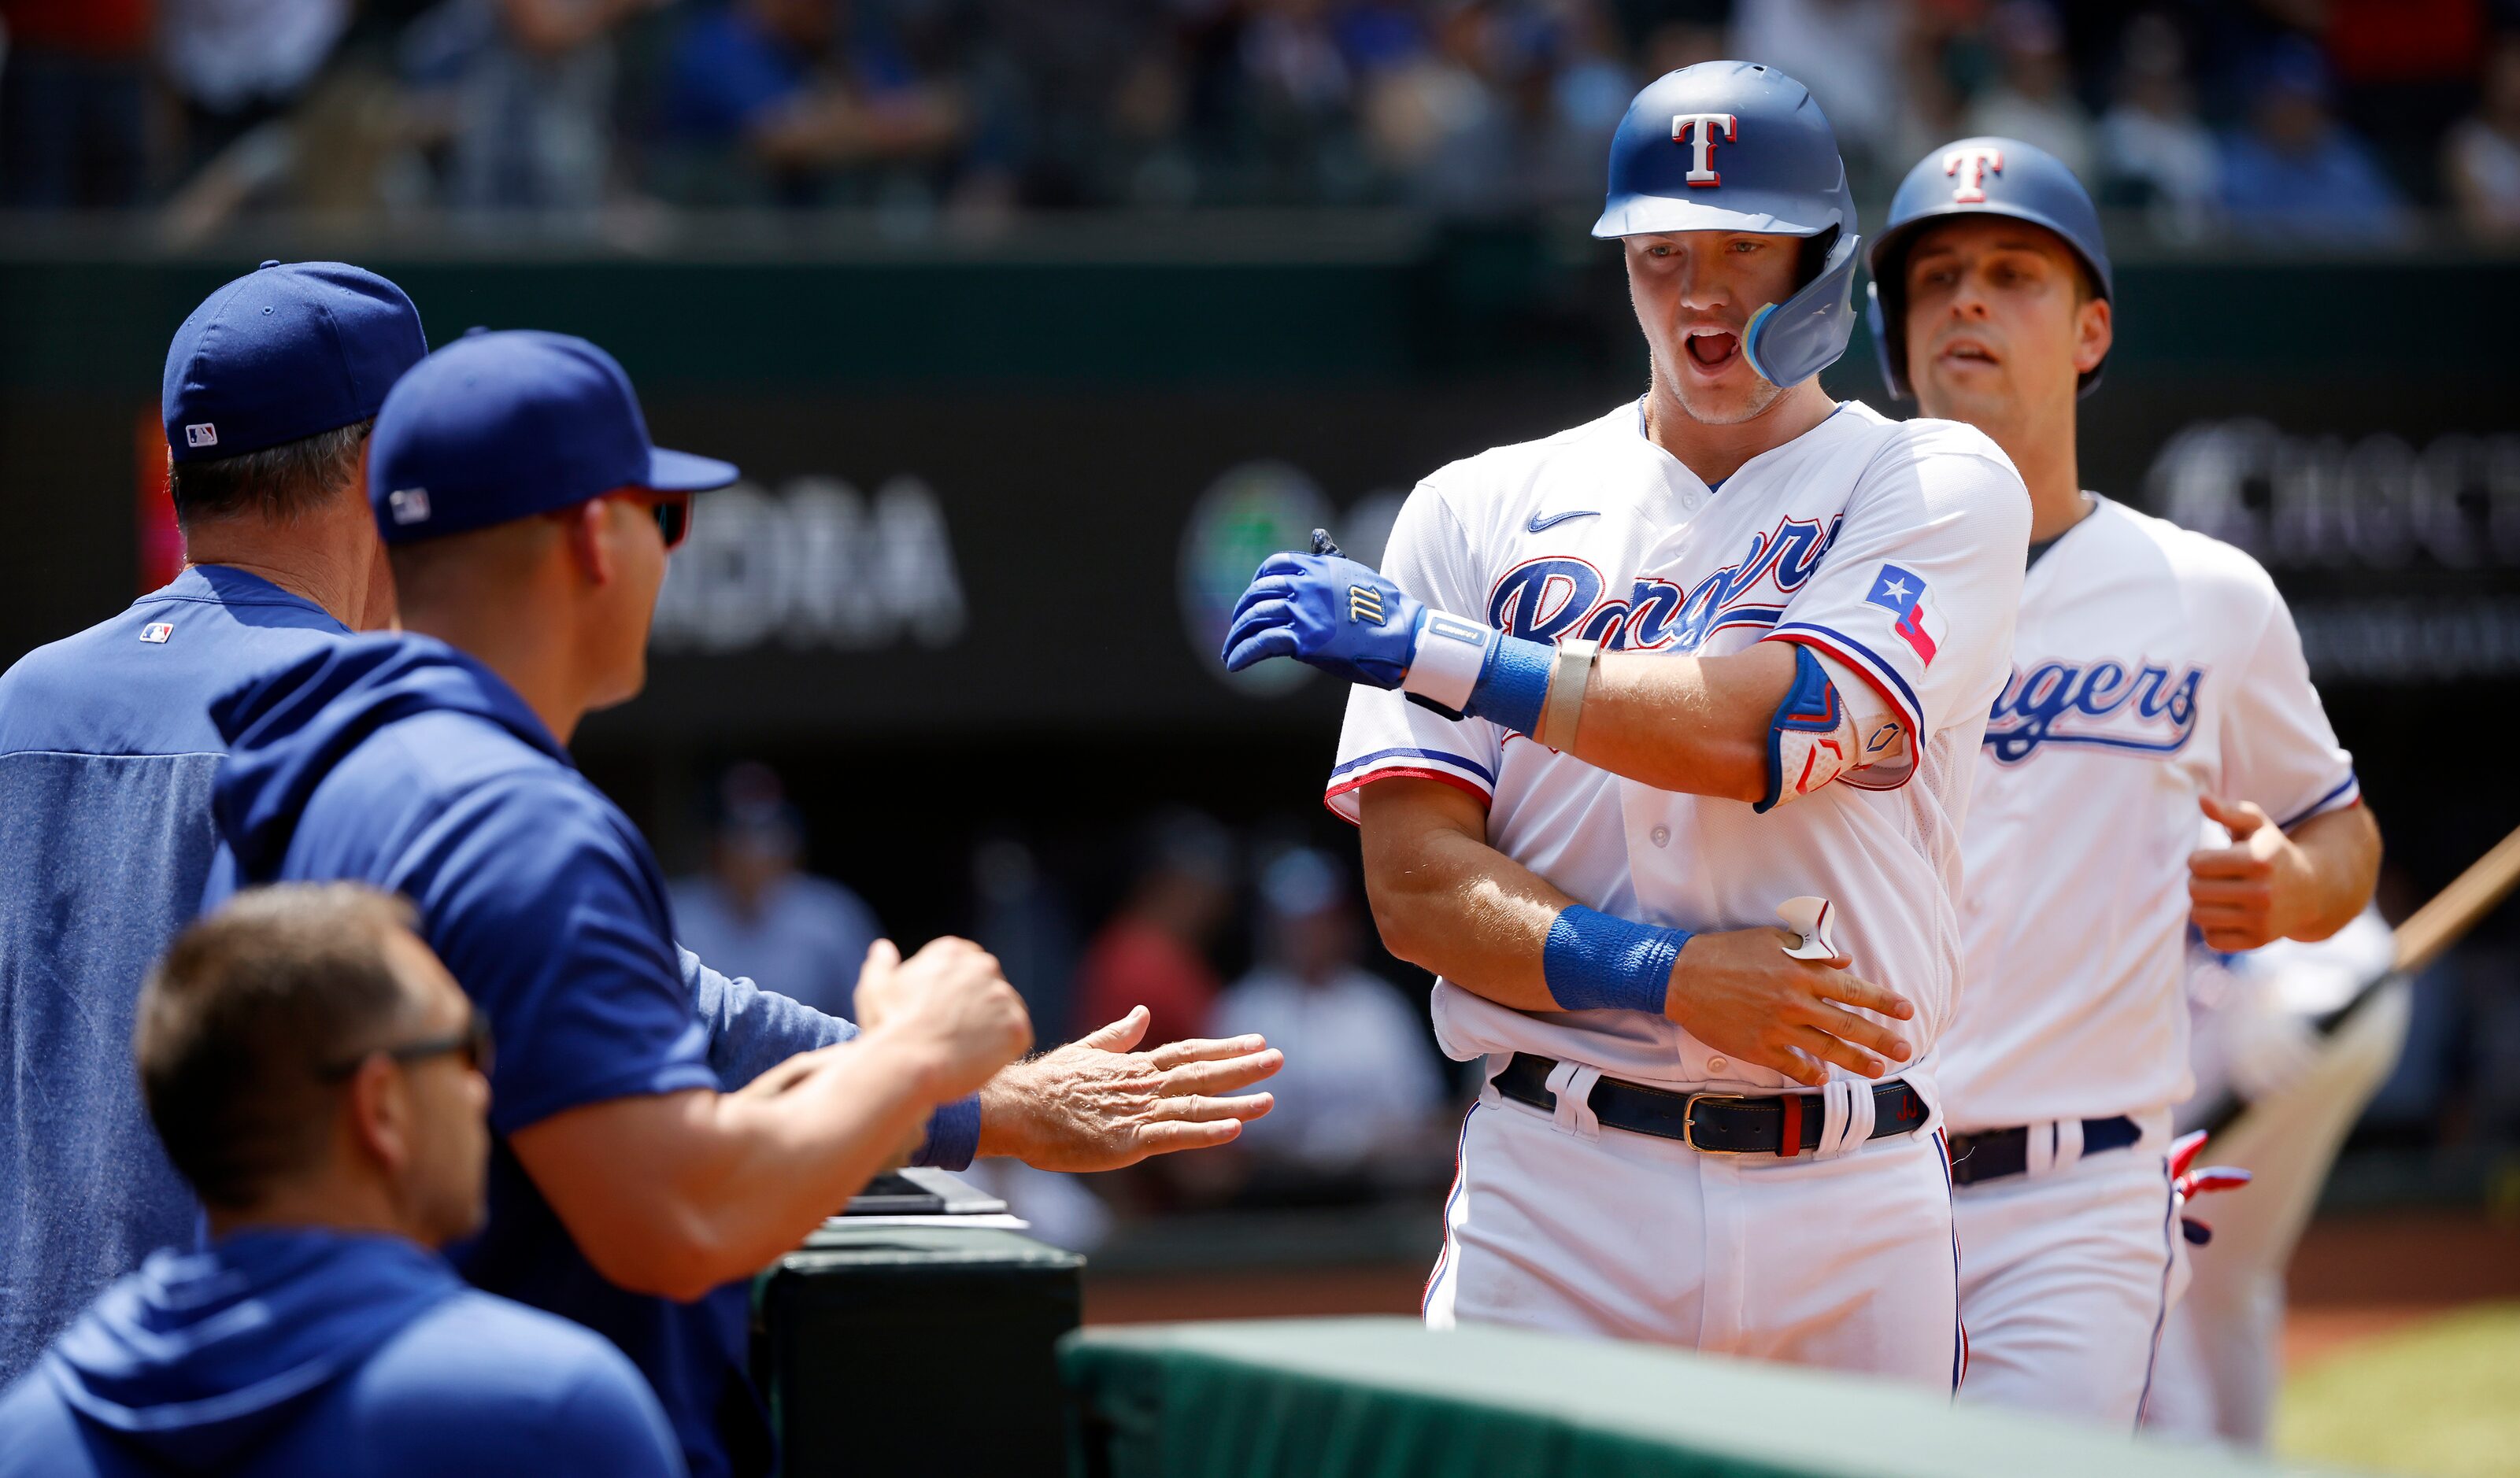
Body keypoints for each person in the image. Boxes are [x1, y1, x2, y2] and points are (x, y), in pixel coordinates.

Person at [204, 328, 1279, 1477]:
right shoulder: (509, 816)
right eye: (662, 515)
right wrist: (913, 1054)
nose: (671, 551)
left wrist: (985, 1100)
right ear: (592, 540)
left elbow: (684, 1028)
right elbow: (680, 1217)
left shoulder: (347, 767)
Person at [1224, 61, 2030, 1387]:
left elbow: (1753, 728)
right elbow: (1418, 886)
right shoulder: (1476, 506)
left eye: (1744, 249)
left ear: (1824, 262)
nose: (1701, 295)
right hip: (1559, 1190)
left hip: (1852, 1188)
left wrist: (1437, 649)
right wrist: (1656, 974)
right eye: (1661, 253)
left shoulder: (1930, 480)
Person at [1863, 135, 2382, 1426]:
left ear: (2092, 331)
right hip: (1837, 1186)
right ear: (1895, 332)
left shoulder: (2205, 595)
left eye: (2010, 273)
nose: (1966, 300)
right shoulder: (1804, 588)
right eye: (1934, 279)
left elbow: (2343, 835)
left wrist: (2294, 884)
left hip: (2072, 1195)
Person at [0, 261, 425, 1387]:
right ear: (382, 465)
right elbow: (595, 987)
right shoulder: (357, 706)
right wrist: (927, 1096)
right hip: (234, 1415)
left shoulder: (16, 698)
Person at [0, 883, 687, 1476]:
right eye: (464, 1048)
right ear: (381, 1106)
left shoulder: (30, 1436)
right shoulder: (556, 1415)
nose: (484, 1087)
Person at [1211, 848, 1447, 1189]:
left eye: (1319, 921)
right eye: (1292, 924)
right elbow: (1230, 1129)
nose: (1307, 935)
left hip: (1376, 1185)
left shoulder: (1378, 1005)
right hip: (1270, 1191)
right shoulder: (1242, 1006)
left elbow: (1421, 1110)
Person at [669, 762, 884, 1020]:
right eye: (740, 839)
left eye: (768, 839)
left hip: (818, 1057)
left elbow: (870, 1016)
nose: (753, 856)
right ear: (714, 847)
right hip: (699, 1058)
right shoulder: (674, 910)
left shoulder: (832, 916)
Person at [1074, 809, 1237, 1048]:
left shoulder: (1182, 954)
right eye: (1202, 886)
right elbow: (1107, 1062)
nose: (1219, 907)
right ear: (1165, 883)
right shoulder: (1131, 961)